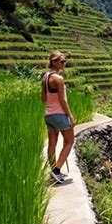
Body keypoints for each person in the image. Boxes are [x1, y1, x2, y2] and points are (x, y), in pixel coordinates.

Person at [41, 51, 75, 183]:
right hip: (60, 115)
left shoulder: (45, 77)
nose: (64, 63)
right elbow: (63, 100)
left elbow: (43, 98)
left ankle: (55, 171)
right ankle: (56, 170)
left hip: (48, 115)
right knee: (69, 141)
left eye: (65, 61)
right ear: (54, 62)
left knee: (52, 144)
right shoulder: (58, 79)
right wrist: (70, 116)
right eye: (62, 61)